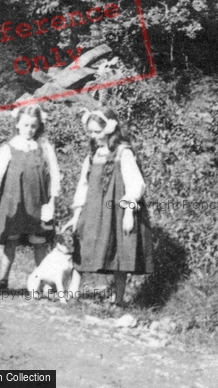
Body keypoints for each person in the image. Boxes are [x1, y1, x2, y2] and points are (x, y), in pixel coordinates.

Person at [63, 107, 153, 305]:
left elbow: (136, 184)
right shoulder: (93, 155)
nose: (94, 136)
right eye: (91, 132)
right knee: (84, 244)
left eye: (98, 131)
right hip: (93, 209)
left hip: (117, 211)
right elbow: (83, 185)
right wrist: (77, 213)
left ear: (110, 129)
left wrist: (129, 212)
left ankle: (119, 300)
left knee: (119, 250)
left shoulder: (123, 152)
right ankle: (72, 292)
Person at [0, 105, 60, 290]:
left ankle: (42, 280)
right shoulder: (10, 147)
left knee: (40, 241)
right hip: (15, 200)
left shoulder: (44, 148)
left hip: (38, 200)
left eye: (33, 126)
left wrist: (53, 199)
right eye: (26, 125)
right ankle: (3, 279)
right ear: (18, 125)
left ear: (39, 127)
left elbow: (54, 173)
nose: (29, 130)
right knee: (10, 239)